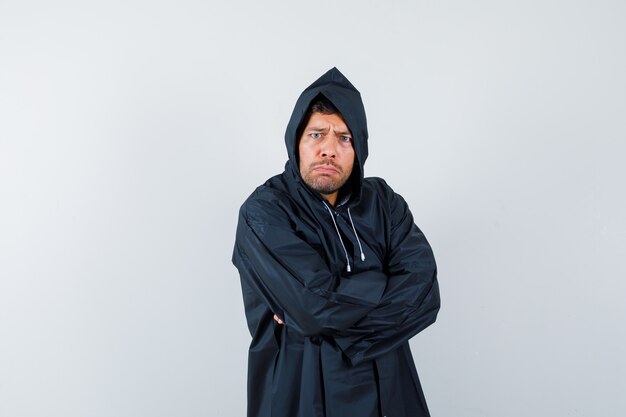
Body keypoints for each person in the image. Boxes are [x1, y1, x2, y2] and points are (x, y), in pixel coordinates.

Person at [232, 67, 440, 417]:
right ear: (296, 140)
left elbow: (424, 295)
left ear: (359, 148)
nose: (329, 149)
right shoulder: (265, 212)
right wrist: (383, 281)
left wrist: (326, 305)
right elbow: (313, 308)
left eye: (344, 138)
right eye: (317, 134)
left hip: (390, 395)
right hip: (300, 397)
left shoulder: (384, 204)